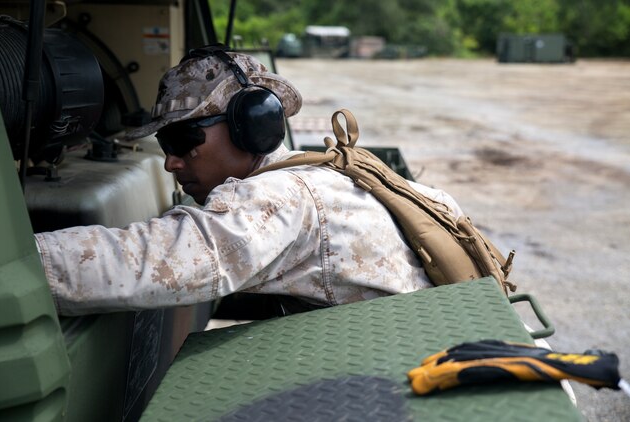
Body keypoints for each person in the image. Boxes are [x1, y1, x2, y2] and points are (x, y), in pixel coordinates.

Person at [34, 45, 464, 316]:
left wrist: (21, 259)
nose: (170, 163)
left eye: (183, 139)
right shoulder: (315, 170)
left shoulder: (276, 198)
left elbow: (147, 262)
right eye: (165, 143)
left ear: (250, 127)